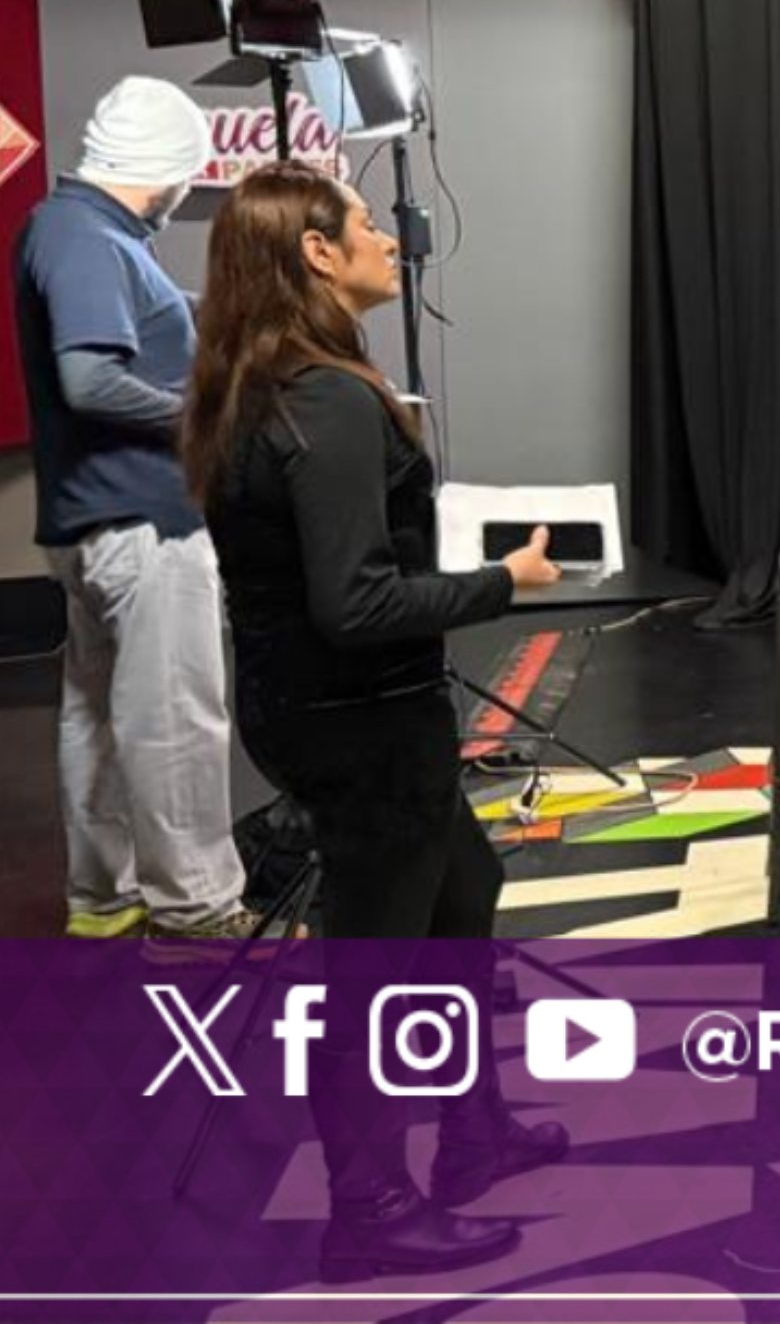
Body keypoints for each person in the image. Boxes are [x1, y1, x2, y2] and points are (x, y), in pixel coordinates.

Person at [182, 166, 568, 1282]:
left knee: (463, 890)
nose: (390, 239)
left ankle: (475, 1132)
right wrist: (503, 581)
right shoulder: (327, 400)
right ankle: (371, 1207)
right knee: (374, 967)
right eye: (364, 226)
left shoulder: (263, 385)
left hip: (324, 711)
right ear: (315, 252)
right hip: (360, 721)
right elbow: (354, 604)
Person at [10, 76, 251, 949]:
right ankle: (199, 909)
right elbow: (90, 380)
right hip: (143, 524)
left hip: (96, 520)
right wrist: (204, 417)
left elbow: (147, 320)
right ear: (169, 168)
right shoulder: (82, 235)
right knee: (175, 718)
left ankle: (104, 896)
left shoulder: (84, 230)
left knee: (101, 719)